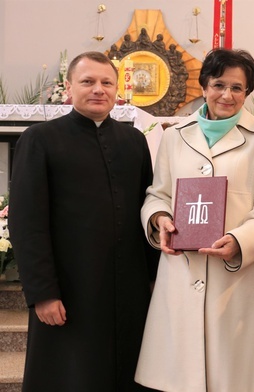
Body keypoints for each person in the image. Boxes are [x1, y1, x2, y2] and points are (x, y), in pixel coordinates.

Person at [134, 48, 254, 392]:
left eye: (237, 88)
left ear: (247, 92)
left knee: (234, 377)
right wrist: (160, 219)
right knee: (179, 377)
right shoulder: (174, 136)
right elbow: (157, 194)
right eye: (219, 85)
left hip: (235, 277)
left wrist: (239, 240)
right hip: (182, 271)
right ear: (204, 86)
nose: (227, 95)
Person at [9, 51, 158, 391]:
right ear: (69, 87)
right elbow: (26, 222)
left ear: (117, 89)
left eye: (107, 82)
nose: (98, 89)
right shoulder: (41, 139)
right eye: (88, 81)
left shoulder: (133, 141)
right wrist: (42, 292)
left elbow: (146, 208)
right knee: (72, 376)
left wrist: (154, 279)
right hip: (70, 289)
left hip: (128, 288)